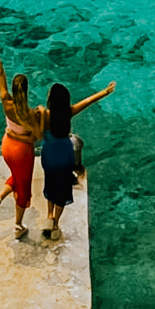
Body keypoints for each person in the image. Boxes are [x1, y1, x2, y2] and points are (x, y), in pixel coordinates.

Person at [0, 34, 46, 238]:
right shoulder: (31, 114)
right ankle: (17, 226)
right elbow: (38, 137)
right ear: (26, 91)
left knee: (16, 177)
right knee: (24, 189)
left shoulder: (5, 102)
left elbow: (0, 71)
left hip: (6, 145)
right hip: (21, 152)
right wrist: (43, 113)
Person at [40, 78, 115, 241]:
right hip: (64, 156)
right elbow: (88, 101)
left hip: (48, 156)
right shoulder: (69, 112)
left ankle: (49, 215)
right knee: (61, 191)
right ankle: (55, 224)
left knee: (50, 184)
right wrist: (105, 91)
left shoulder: (45, 116)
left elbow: (31, 124)